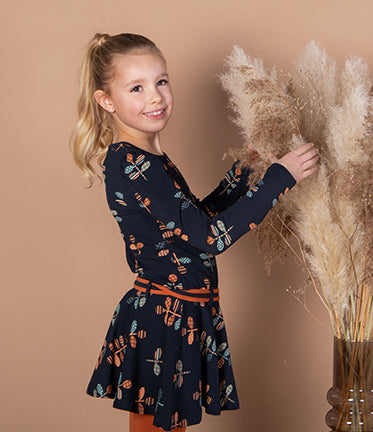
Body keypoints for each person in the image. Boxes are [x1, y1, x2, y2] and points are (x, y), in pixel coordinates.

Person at [70, 33, 318, 432]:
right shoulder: (133, 164)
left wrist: (243, 173)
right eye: (136, 88)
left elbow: (192, 224)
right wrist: (278, 179)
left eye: (161, 81)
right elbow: (209, 238)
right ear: (106, 100)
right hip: (161, 319)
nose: (155, 97)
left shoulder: (148, 158)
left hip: (180, 312)